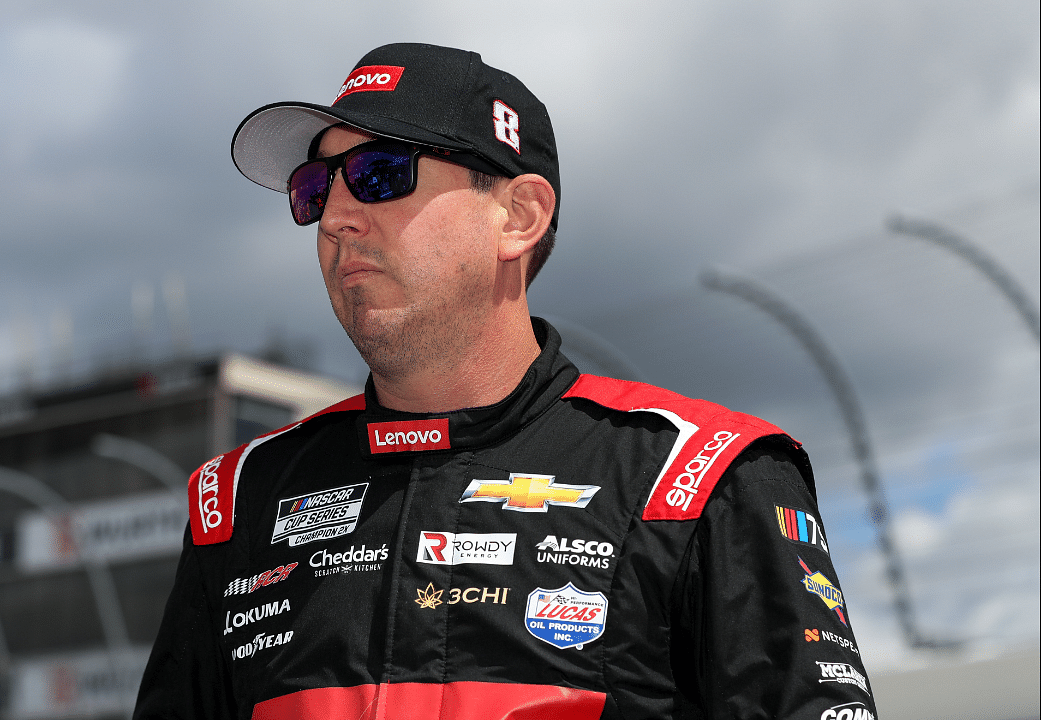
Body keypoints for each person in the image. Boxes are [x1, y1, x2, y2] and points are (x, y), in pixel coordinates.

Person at [134, 43, 876, 720]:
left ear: (518, 216)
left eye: (378, 173)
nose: (335, 218)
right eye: (314, 187)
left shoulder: (702, 479)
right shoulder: (238, 503)